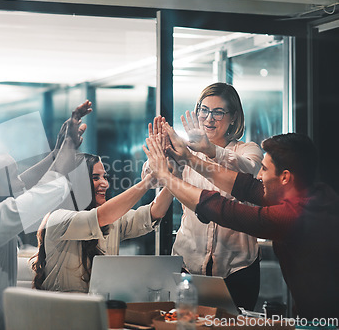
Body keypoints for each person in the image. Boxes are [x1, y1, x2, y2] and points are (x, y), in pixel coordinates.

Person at [144, 127, 339, 319]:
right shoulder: (314, 194)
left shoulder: (294, 216)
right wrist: (190, 158)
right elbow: (246, 186)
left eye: (264, 169)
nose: (259, 176)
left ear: (285, 177)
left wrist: (166, 177)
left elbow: (226, 211)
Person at [0, 100, 92, 330]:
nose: (20, 179)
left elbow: (22, 187)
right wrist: (70, 145)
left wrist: (56, 152)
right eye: (13, 174)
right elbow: (43, 194)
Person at [145, 83, 263, 310]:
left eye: (218, 112)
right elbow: (153, 181)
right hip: (188, 265)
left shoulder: (247, 149)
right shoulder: (184, 151)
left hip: (238, 269)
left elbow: (248, 172)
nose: (209, 119)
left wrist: (210, 150)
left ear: (233, 117)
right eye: (204, 110)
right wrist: (162, 154)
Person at [31, 151, 174, 293]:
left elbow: (154, 212)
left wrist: (174, 178)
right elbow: (101, 216)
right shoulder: (58, 218)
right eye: (95, 178)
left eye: (104, 177)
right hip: (63, 310)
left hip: (99, 309)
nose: (105, 183)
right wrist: (149, 180)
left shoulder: (112, 219)